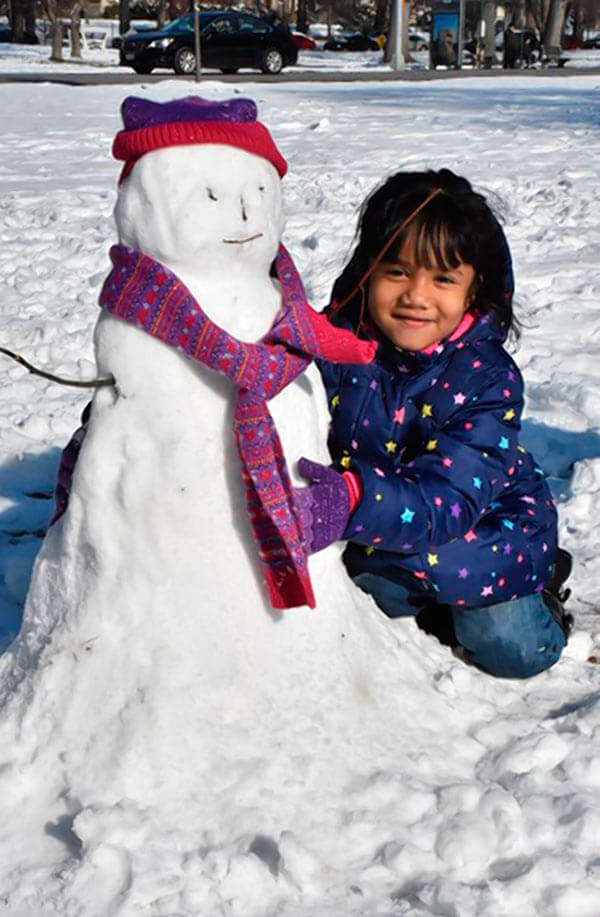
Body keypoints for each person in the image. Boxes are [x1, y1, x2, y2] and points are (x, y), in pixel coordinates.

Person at [295, 169, 573, 679]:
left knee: (510, 650)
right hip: (383, 530)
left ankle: (544, 590)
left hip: (483, 531)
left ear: (474, 290)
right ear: (367, 269)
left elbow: (449, 499)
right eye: (396, 271)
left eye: (443, 278)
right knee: (367, 605)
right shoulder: (339, 343)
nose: (416, 296)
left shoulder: (487, 381)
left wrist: (354, 501)